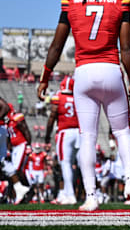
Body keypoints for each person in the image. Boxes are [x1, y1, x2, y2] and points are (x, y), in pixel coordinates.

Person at [37, 0, 130, 211]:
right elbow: (127, 47)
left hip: (83, 73)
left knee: (88, 136)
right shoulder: (121, 0)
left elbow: (56, 45)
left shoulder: (71, 1)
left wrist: (44, 76)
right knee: (121, 131)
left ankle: (91, 196)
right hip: (110, 69)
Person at [45, 75, 80, 204]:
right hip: (79, 132)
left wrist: (47, 135)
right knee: (72, 165)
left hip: (65, 132)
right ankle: (64, 194)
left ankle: (70, 195)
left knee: (65, 165)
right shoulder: (78, 98)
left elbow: (52, 117)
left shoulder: (58, 97)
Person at [0, 100, 31, 204]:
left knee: (16, 169)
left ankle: (25, 189)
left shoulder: (16, 117)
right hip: (13, 147)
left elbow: (26, 130)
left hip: (21, 145)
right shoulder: (7, 122)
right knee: (8, 167)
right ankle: (18, 190)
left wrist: (28, 144)